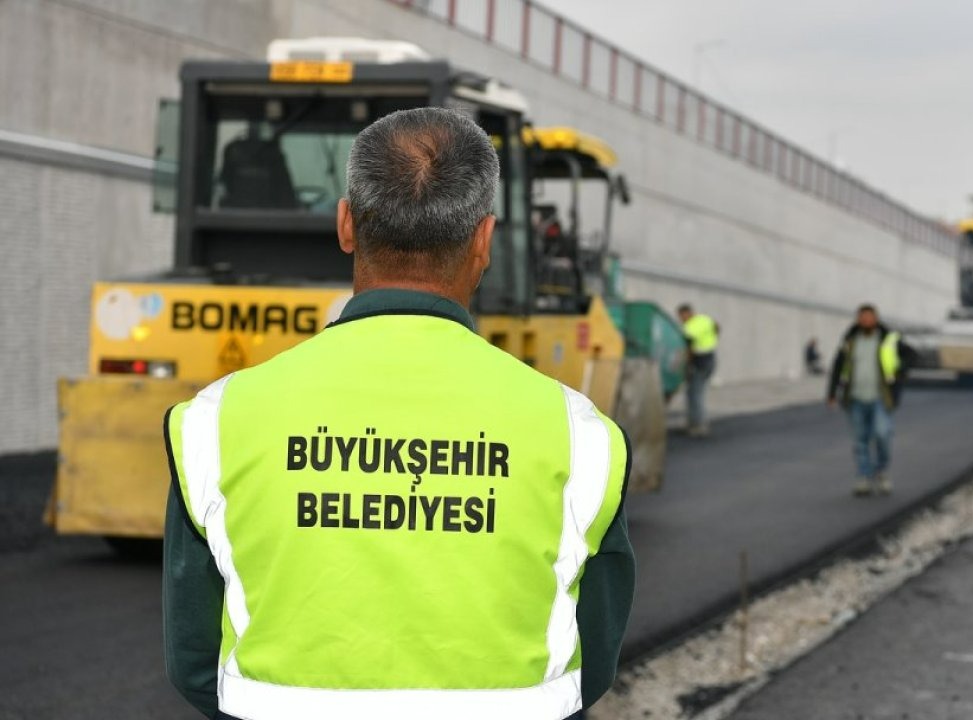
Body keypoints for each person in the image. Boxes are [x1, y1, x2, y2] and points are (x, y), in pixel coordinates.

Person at [162, 108, 635, 720]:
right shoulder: (582, 436)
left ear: (345, 225)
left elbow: (194, 660)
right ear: (484, 239)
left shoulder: (214, 422)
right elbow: (592, 658)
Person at [826, 304, 915, 496]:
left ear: (876, 318)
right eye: (862, 317)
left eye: (869, 317)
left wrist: (900, 372)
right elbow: (837, 367)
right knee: (860, 439)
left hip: (881, 397)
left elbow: (912, 355)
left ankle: (881, 471)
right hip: (855, 397)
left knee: (882, 434)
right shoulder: (850, 341)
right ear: (858, 319)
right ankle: (864, 477)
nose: (866, 320)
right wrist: (832, 394)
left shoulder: (888, 339)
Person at [677, 303, 719, 437]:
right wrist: (711, 341)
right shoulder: (704, 319)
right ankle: (696, 422)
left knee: (695, 394)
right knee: (696, 392)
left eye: (681, 316)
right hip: (710, 358)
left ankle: (698, 425)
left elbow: (689, 349)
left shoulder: (689, 327)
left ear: (687, 313)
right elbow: (717, 327)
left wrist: (685, 366)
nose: (681, 319)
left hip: (699, 361)